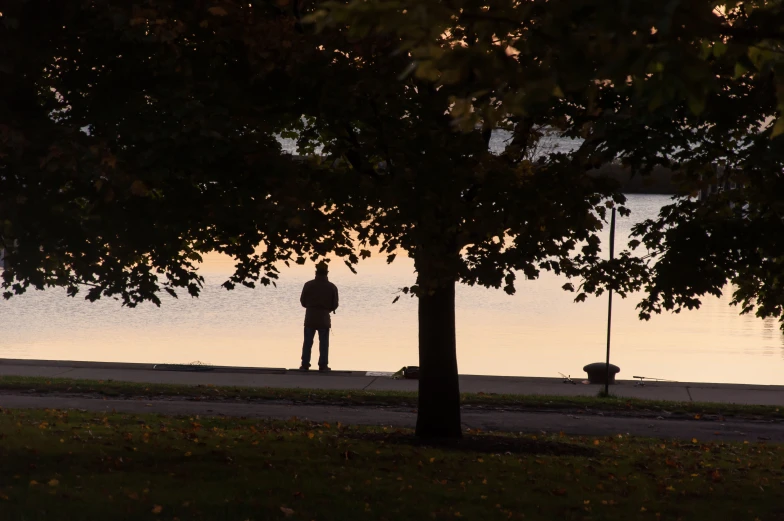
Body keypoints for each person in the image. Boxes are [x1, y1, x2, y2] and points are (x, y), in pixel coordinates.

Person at [299, 262, 339, 371]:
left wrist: (311, 307)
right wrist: (327, 309)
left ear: (316, 272)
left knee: (307, 342)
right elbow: (335, 304)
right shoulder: (332, 287)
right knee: (324, 343)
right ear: (327, 273)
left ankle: (305, 364)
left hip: (310, 317)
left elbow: (302, 302)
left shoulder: (308, 285)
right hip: (324, 318)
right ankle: (323, 365)